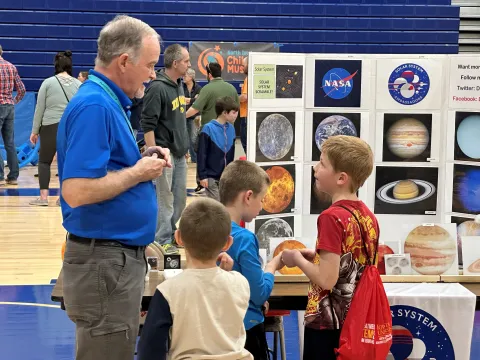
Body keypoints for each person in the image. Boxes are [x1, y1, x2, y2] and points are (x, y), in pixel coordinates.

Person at [57, 15, 169, 360]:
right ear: (124, 62)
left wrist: (138, 158)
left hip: (111, 262)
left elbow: (106, 169)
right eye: (150, 65)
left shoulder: (107, 102)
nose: (153, 74)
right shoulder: (95, 106)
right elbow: (76, 190)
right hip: (104, 264)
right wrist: (137, 172)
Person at [280, 135, 379, 360]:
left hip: (327, 325)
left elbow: (326, 280)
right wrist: (316, 256)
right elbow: (353, 263)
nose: (315, 167)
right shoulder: (368, 217)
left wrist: (297, 259)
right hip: (357, 320)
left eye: (322, 163)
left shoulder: (331, 217)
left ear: (341, 178)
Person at [137, 198, 253, 360]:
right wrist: (225, 275)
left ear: (178, 238)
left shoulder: (168, 291)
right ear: (228, 243)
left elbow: (149, 350)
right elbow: (214, 293)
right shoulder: (240, 283)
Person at [220, 160, 285, 360]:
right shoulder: (245, 238)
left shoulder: (207, 231)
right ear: (248, 196)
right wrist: (272, 266)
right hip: (245, 333)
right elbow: (258, 294)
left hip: (215, 329)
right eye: (262, 199)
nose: (262, 206)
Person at [141, 44, 190, 253]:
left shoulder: (178, 84)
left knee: (179, 201)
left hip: (180, 154)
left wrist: (184, 145)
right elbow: (147, 125)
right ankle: (162, 241)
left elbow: (178, 120)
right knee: (166, 200)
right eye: (186, 61)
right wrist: (155, 155)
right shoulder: (157, 88)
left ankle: (169, 233)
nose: (189, 65)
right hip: (164, 155)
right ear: (175, 63)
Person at [29, 51, 82, 206]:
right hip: (70, 127)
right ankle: (63, 198)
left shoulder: (48, 83)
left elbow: (40, 108)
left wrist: (35, 130)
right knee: (66, 162)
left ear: (56, 65)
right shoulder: (78, 84)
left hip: (50, 125)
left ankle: (44, 198)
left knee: (44, 161)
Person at [197, 96, 238, 201]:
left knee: (224, 205)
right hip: (210, 176)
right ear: (225, 113)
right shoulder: (208, 128)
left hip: (225, 177)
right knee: (218, 207)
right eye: (234, 112)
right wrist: (202, 176)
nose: (236, 115)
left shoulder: (232, 129)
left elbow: (232, 154)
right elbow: (201, 154)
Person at [0, 44, 26, 186]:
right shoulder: (11, 66)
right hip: (9, 106)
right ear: (2, 52)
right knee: (9, 143)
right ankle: (13, 176)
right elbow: (21, 89)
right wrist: (14, 100)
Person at [185, 62, 239, 128]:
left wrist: (182, 117)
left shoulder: (207, 89)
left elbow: (195, 109)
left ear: (210, 75)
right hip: (228, 131)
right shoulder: (232, 88)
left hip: (210, 132)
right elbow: (237, 109)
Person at [183, 68, 202, 164]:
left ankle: (195, 159)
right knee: (184, 137)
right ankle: (185, 157)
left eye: (185, 75)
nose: (183, 77)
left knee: (193, 138)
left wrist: (188, 100)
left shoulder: (198, 88)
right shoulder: (181, 87)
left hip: (195, 116)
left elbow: (198, 102)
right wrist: (192, 100)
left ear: (191, 77)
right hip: (182, 116)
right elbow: (180, 100)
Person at [239, 57, 248, 154]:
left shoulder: (248, 79)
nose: (241, 67)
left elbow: (244, 97)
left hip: (246, 115)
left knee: (246, 143)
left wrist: (234, 99)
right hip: (247, 115)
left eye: (243, 65)